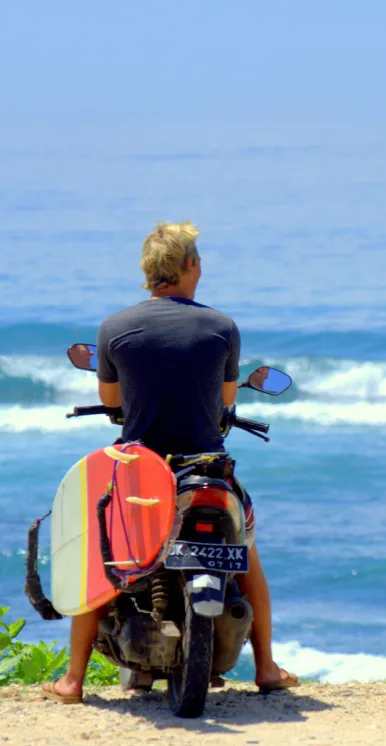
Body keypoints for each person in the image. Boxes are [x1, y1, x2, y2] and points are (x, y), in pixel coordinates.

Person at [42, 221, 298, 703]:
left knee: (102, 555)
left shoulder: (115, 328)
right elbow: (225, 401)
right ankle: (266, 666)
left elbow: (111, 399)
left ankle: (73, 680)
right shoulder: (222, 327)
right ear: (189, 266)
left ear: (147, 272)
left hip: (142, 470)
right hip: (207, 468)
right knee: (248, 556)